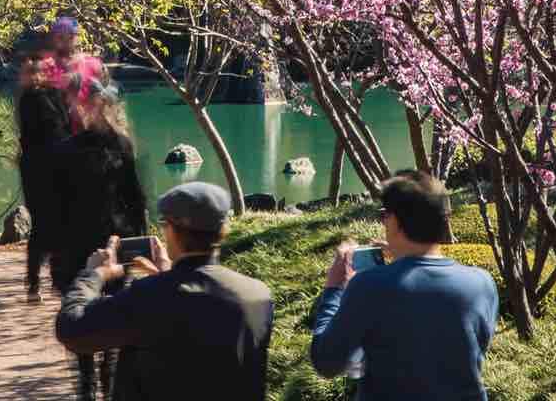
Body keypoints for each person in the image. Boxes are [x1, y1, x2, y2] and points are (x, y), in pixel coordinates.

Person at [53, 182, 274, 401]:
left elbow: (73, 330)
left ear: (171, 230)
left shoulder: (150, 296)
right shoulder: (258, 294)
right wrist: (167, 275)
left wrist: (95, 274)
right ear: (222, 231)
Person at [310, 171, 499, 400]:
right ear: (444, 219)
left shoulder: (370, 286)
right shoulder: (482, 283)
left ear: (396, 221)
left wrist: (333, 288)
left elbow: (326, 362)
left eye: (384, 215)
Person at [49, 76, 148, 401]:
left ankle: (90, 389)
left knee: (86, 336)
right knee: (111, 334)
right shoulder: (123, 145)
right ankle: (99, 386)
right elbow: (138, 204)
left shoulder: (67, 151)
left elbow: (56, 212)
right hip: (112, 247)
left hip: (87, 250)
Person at [18, 19, 76, 301]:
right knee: (46, 224)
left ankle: (43, 280)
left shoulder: (45, 96)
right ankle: (40, 280)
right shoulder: (32, 100)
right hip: (42, 168)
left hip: (45, 166)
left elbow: (63, 124)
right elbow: (56, 128)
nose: (35, 76)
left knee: (49, 223)